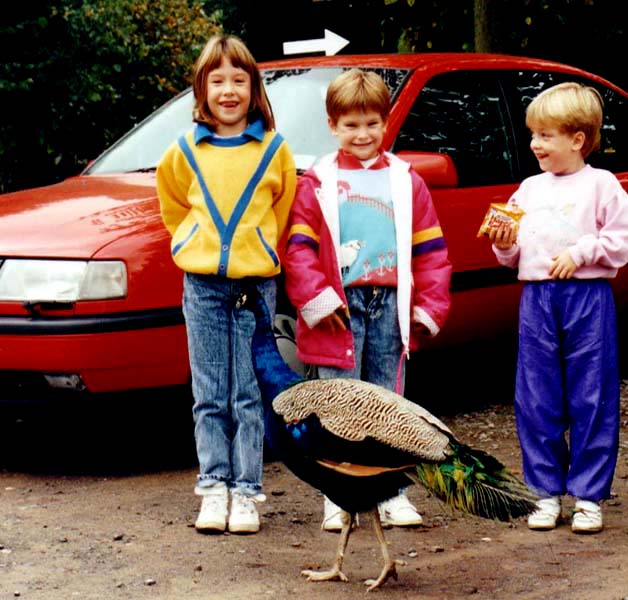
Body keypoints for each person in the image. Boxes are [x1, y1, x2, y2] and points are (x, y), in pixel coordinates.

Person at [284, 68, 452, 532]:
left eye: (372, 123)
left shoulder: (406, 180)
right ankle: (336, 495)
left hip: (389, 305)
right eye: (351, 125)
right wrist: (316, 298)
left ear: (386, 122)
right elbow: (298, 250)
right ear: (333, 125)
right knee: (337, 401)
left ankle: (392, 492)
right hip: (338, 308)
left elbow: (432, 251)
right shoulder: (315, 181)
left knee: (388, 402)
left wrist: (429, 308)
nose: (362, 134)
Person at [156, 34, 296, 535]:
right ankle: (213, 487)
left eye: (239, 79)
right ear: (203, 88)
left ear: (253, 88)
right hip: (203, 286)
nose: (229, 90)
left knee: (248, 393)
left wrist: (257, 250)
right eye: (218, 80)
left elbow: (280, 211)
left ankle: (246, 492)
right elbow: (173, 206)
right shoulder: (183, 151)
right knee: (209, 390)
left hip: (255, 287)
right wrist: (195, 243)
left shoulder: (275, 149)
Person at [488, 82, 628, 533]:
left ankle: (589, 495)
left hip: (587, 299)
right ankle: (544, 492)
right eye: (534, 134)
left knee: (592, 394)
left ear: (578, 139)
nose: (535, 144)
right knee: (536, 397)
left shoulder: (602, 184)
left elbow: (624, 238)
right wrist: (502, 244)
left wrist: (583, 251)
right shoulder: (527, 189)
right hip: (536, 299)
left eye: (546, 135)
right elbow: (507, 249)